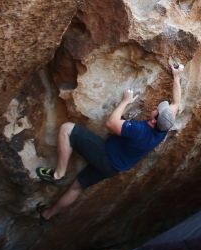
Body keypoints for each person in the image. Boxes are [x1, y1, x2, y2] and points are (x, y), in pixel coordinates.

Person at [36, 62, 183, 220]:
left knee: (67, 129)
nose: (157, 108)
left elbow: (111, 123)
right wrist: (177, 76)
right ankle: (46, 215)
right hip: (114, 168)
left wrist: (125, 101)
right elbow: (177, 102)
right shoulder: (163, 127)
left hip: (106, 156)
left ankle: (59, 174)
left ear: (154, 121)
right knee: (76, 187)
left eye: (157, 111)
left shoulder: (140, 131)